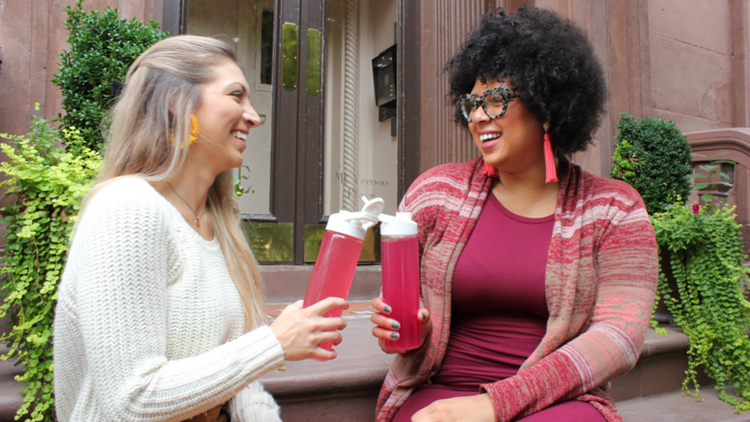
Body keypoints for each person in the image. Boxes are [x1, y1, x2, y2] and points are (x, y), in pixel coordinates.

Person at [370, 6, 658, 422]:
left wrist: (495, 404)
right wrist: (403, 332)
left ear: (548, 108)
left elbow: (619, 337)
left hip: (556, 399)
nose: (479, 117)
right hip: (439, 391)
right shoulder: (434, 194)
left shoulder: (615, 209)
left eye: (496, 100)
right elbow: (406, 333)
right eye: (472, 103)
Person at [53, 35, 348, 422]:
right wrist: (273, 342)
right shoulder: (127, 209)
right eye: (236, 95)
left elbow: (237, 382)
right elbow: (131, 401)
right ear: (177, 102)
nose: (254, 116)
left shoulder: (217, 221)